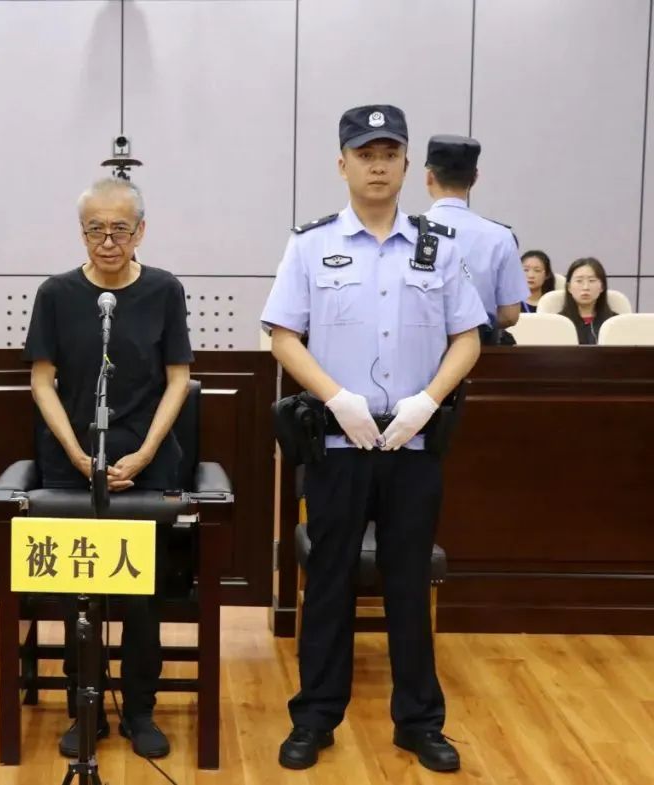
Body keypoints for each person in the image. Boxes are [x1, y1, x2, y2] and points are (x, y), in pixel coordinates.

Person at [262, 105, 484, 773]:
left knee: (408, 584)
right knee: (329, 581)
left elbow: (468, 338)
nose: (378, 165)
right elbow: (282, 336)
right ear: (343, 164)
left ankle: (419, 721)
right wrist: (336, 397)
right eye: (365, 154)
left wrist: (427, 400)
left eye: (390, 153)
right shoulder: (310, 245)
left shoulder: (438, 246)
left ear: (409, 165)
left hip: (413, 443)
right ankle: (314, 717)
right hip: (338, 442)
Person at [23, 177, 192, 760]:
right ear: (82, 233)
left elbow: (178, 379)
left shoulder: (164, 290)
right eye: (95, 229)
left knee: (140, 594)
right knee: (79, 592)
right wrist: (75, 451)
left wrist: (144, 452)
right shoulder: (57, 293)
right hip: (71, 462)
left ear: (141, 231)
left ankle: (139, 709)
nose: (108, 241)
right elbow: (42, 381)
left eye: (120, 229)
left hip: (144, 464)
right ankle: (85, 708)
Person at [424, 135, 528, 342]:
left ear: (429, 177)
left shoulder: (409, 232)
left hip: (423, 351)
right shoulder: (501, 236)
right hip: (481, 351)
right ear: (475, 178)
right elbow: (510, 315)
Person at [561, 257, 616, 344]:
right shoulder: (558, 322)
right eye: (579, 281)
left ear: (602, 287)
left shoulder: (615, 322)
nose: (585, 287)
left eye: (591, 280)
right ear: (569, 287)